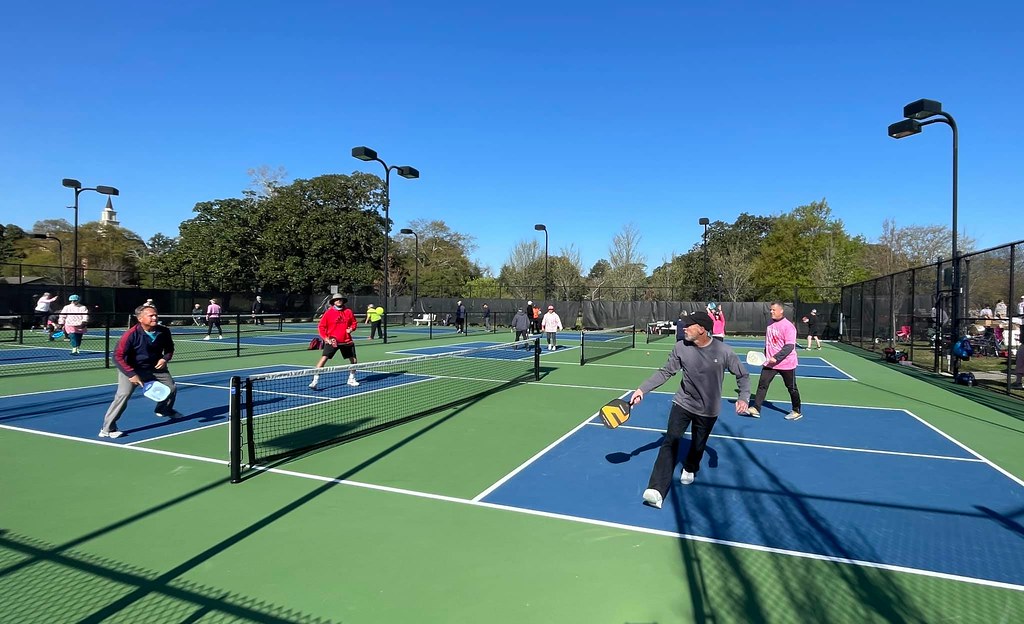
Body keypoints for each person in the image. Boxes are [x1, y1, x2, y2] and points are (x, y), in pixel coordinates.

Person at [630, 311, 750, 509]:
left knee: (698, 444)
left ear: (702, 329)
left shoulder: (723, 351)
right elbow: (665, 372)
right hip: (683, 403)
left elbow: (743, 376)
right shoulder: (680, 348)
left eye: (689, 325)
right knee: (670, 442)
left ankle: (691, 466)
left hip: (708, 409)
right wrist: (642, 389)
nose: (683, 327)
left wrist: (743, 398)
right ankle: (656, 489)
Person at [99, 304, 181, 438]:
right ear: (140, 319)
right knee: (123, 395)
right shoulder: (130, 335)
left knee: (171, 388)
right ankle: (107, 429)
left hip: (155, 368)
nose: (155, 317)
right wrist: (131, 374)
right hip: (131, 368)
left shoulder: (164, 331)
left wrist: (165, 358)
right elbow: (117, 356)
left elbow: (170, 349)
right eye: (151, 315)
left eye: (156, 315)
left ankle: (163, 409)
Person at [747, 302, 802, 421]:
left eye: (773, 310)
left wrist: (776, 357)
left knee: (791, 387)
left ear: (781, 311)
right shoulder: (770, 323)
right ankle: (756, 408)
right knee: (762, 384)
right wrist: (766, 355)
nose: (771, 312)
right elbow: (769, 342)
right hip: (770, 363)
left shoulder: (788, 326)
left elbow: (789, 346)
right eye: (770, 310)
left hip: (786, 363)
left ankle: (796, 411)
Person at [309, 295, 359, 389]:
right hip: (332, 341)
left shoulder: (348, 312)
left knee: (353, 360)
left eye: (340, 299)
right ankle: (315, 381)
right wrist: (325, 338)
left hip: (347, 341)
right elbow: (321, 327)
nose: (338, 301)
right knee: (323, 359)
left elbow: (354, 323)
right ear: (333, 302)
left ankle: (351, 378)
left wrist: (351, 329)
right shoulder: (328, 313)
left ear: (343, 301)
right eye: (336, 300)